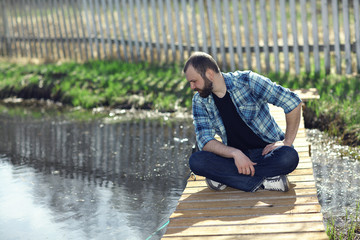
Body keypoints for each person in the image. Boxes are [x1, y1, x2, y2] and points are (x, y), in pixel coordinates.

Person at [184, 52, 302, 192]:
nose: (192, 87)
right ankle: (265, 181)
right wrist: (235, 153)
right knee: (196, 161)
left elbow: (292, 102)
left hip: (266, 153)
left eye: (194, 81)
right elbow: (204, 140)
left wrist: (286, 142)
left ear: (209, 74)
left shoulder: (248, 81)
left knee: (289, 156)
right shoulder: (199, 101)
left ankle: (227, 178)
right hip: (234, 159)